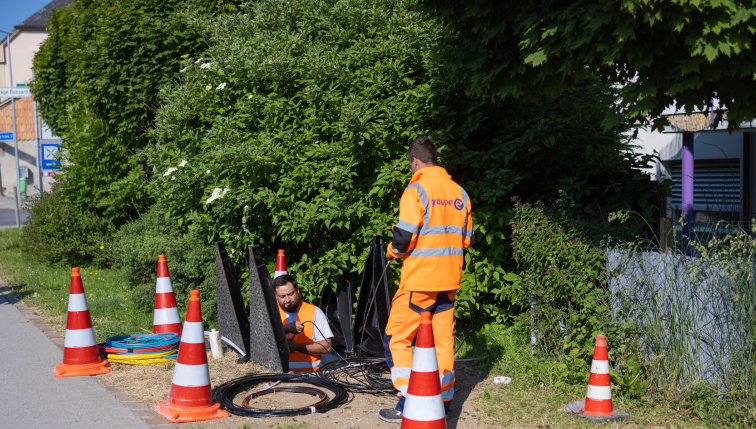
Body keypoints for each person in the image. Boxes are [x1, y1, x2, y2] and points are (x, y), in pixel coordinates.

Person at [379, 136, 473, 423]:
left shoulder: (415, 190)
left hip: (420, 281)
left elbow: (404, 237)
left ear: (415, 162)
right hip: (449, 280)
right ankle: (442, 401)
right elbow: (465, 240)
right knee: (442, 342)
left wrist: (392, 251)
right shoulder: (460, 193)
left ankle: (409, 400)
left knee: (396, 338)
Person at [274, 274, 334, 372]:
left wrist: (298, 347)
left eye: (290, 294)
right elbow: (261, 342)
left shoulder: (314, 312)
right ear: (276, 296)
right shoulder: (271, 314)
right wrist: (285, 329)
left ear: (297, 290)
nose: (287, 299)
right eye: (282, 296)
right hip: (279, 376)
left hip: (311, 375)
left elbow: (327, 347)